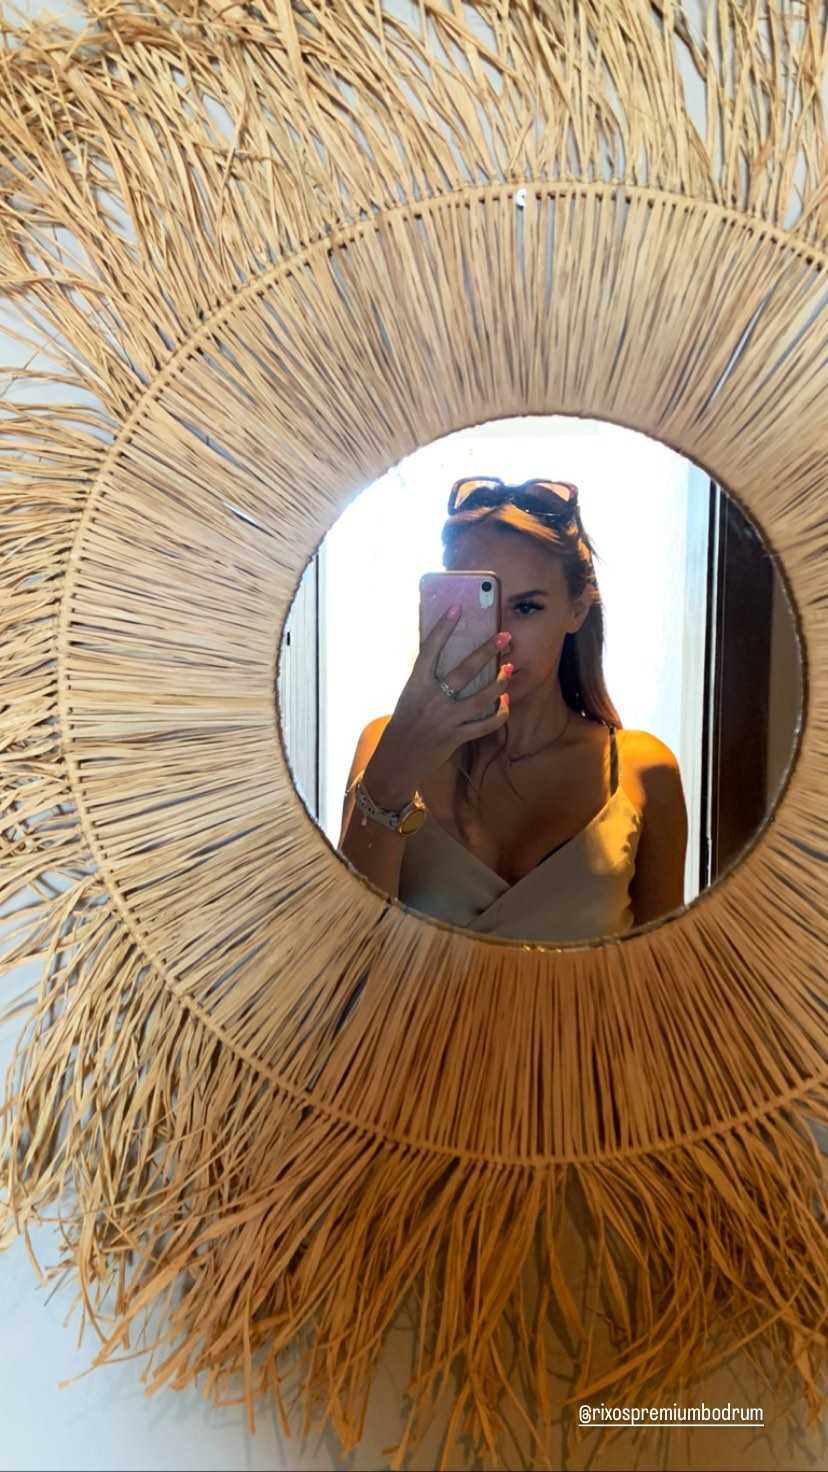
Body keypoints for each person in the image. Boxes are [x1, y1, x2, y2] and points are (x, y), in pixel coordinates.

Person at [338, 476, 688, 943]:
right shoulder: (388, 744)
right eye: (476, 606)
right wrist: (392, 774)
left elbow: (662, 972)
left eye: (526, 608)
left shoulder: (642, 771)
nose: (498, 638)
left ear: (577, 609)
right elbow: (349, 950)